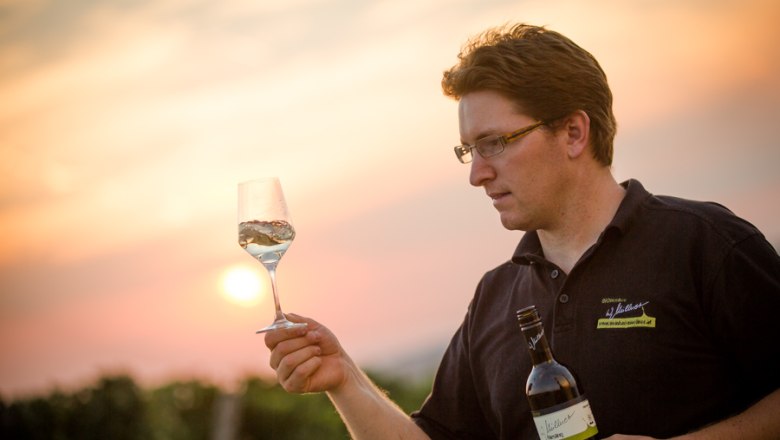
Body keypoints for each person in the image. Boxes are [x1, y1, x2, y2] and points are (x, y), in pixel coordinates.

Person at [264, 23, 780, 439]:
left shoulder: (705, 244)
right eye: (469, 150)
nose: (476, 173)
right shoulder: (494, 296)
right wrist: (344, 379)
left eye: (495, 142)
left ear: (574, 132)